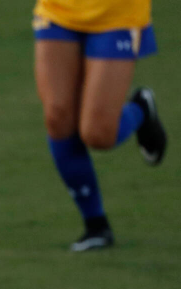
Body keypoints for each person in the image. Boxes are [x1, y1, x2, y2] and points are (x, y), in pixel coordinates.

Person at [33, 0, 166, 250]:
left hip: (118, 14)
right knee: (57, 117)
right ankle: (96, 226)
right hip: (58, 9)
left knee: (98, 134)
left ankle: (140, 110)